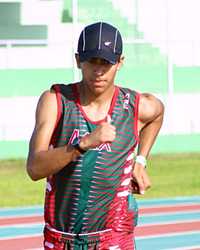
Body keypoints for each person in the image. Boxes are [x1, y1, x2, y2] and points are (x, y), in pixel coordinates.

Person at [26, 22, 164, 250]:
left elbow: (157, 113)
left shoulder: (135, 106)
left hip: (114, 237)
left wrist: (141, 161)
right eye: (92, 61)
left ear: (120, 62)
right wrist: (83, 144)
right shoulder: (56, 100)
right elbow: (34, 168)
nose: (98, 71)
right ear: (78, 60)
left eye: (106, 63)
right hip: (61, 238)